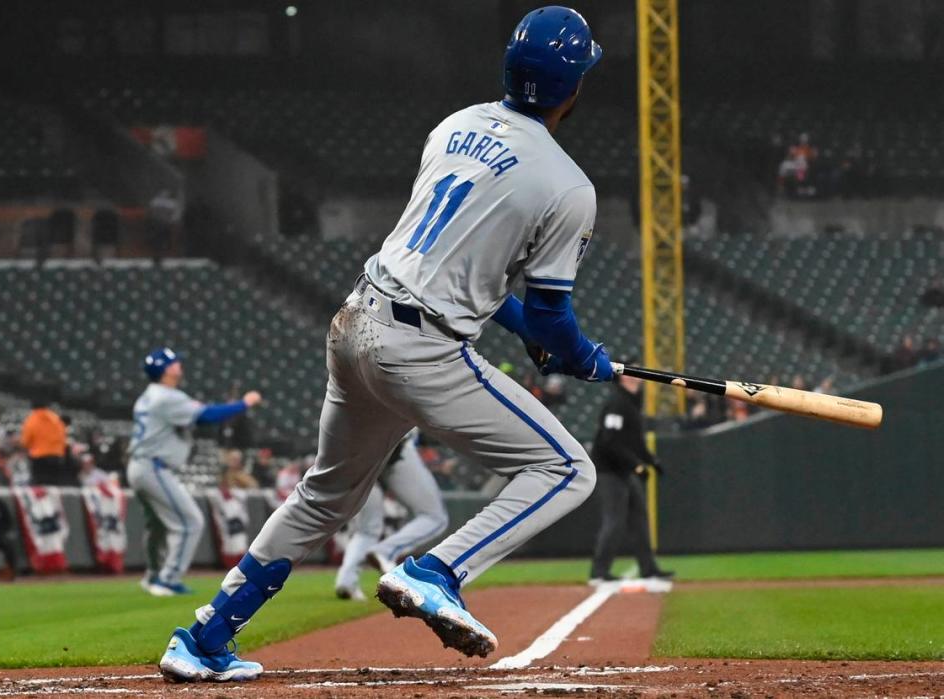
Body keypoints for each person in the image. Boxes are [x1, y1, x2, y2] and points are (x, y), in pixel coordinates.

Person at [159, 7, 608, 682]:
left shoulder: (456, 125)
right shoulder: (569, 185)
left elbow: (467, 272)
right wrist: (579, 354)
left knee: (322, 497)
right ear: (573, 86)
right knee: (568, 469)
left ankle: (201, 638)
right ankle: (437, 570)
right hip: (421, 350)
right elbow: (550, 316)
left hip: (357, 321)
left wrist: (534, 333)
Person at [128, 348, 261, 597]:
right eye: (173, 362)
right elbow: (207, 416)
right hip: (153, 467)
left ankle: (154, 576)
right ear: (165, 369)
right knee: (190, 521)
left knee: (157, 525)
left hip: (140, 465)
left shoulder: (148, 396)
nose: (178, 364)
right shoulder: (166, 397)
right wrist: (244, 403)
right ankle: (167, 579)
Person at [334, 431, 449, 601]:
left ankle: (346, 582)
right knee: (435, 518)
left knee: (366, 530)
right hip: (396, 445)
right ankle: (385, 551)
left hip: (354, 454)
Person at [589, 372, 672, 583]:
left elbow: (635, 442)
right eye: (633, 372)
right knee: (614, 520)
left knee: (639, 518)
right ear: (624, 378)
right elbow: (609, 442)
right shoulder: (617, 403)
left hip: (624, 470)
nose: (639, 376)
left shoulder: (631, 403)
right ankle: (598, 572)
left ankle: (648, 568)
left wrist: (652, 461)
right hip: (609, 470)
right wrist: (636, 465)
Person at [19, 398, 67, 485]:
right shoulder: (56, 418)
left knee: (39, 485)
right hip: (56, 457)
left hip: (39, 457)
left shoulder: (32, 419)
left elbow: (25, 441)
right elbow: (63, 436)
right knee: (54, 484)